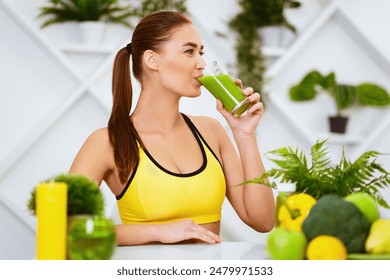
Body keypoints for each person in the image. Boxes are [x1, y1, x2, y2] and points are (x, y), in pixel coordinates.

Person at [69, 11, 275, 246]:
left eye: (201, 52)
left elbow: (263, 221)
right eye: (189, 51)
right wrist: (156, 232)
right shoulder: (106, 142)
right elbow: (67, 227)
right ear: (152, 60)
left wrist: (245, 134)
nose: (202, 63)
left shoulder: (211, 131)